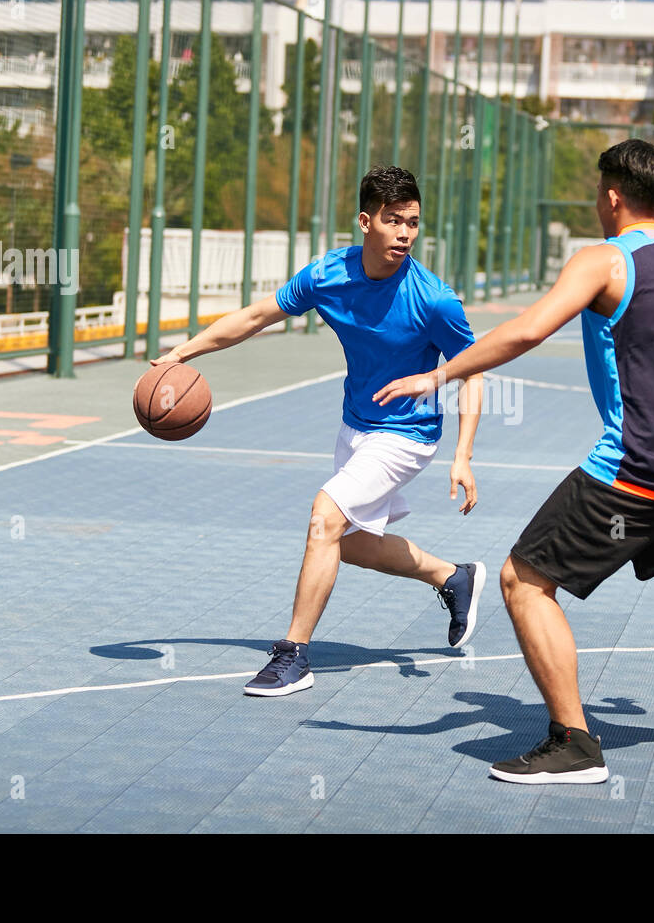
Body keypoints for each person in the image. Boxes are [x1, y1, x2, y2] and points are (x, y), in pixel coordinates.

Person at [374, 139, 654, 784]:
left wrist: (441, 375)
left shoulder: (602, 261)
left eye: (599, 192)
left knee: (523, 580)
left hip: (636, 468)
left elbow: (528, 330)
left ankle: (573, 744)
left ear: (613, 196)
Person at [153, 166, 487, 696]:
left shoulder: (434, 299)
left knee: (324, 517)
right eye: (393, 220)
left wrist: (463, 454)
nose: (404, 233)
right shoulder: (328, 275)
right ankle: (451, 576)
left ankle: (293, 654)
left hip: (407, 434)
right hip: (355, 426)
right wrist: (183, 352)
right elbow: (256, 316)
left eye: (413, 223)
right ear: (364, 221)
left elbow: (472, 370)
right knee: (347, 543)